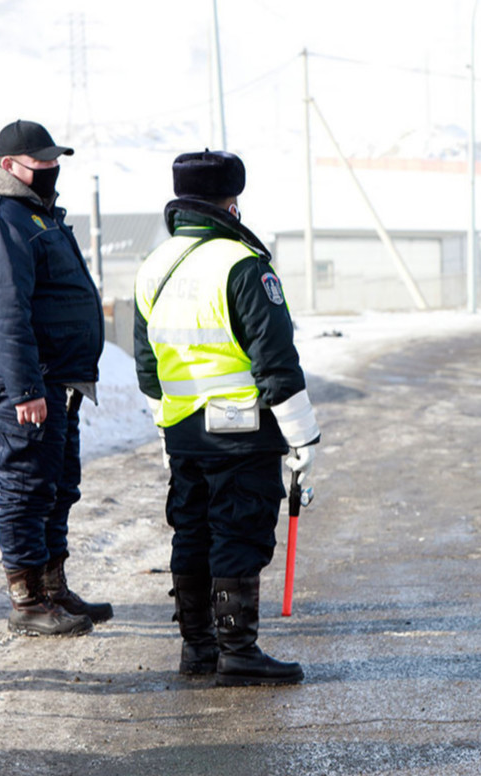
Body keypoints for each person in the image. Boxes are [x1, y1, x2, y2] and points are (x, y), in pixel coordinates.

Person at [133, 149, 319, 687]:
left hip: (184, 430)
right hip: (241, 432)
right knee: (236, 533)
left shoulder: (155, 266)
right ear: (231, 201)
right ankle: (238, 652)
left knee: (191, 531)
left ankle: (199, 649)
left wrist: (164, 419)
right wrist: (303, 436)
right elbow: (276, 360)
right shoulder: (242, 265)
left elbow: (147, 363)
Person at [0, 120, 112, 637]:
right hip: (26, 381)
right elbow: (5, 309)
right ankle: (26, 601)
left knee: (56, 486)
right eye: (40, 163)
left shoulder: (33, 213)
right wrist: (25, 388)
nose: (51, 170)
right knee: (27, 487)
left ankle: (53, 586)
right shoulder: (1, 216)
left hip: (55, 379)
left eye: (54, 162)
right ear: (9, 167)